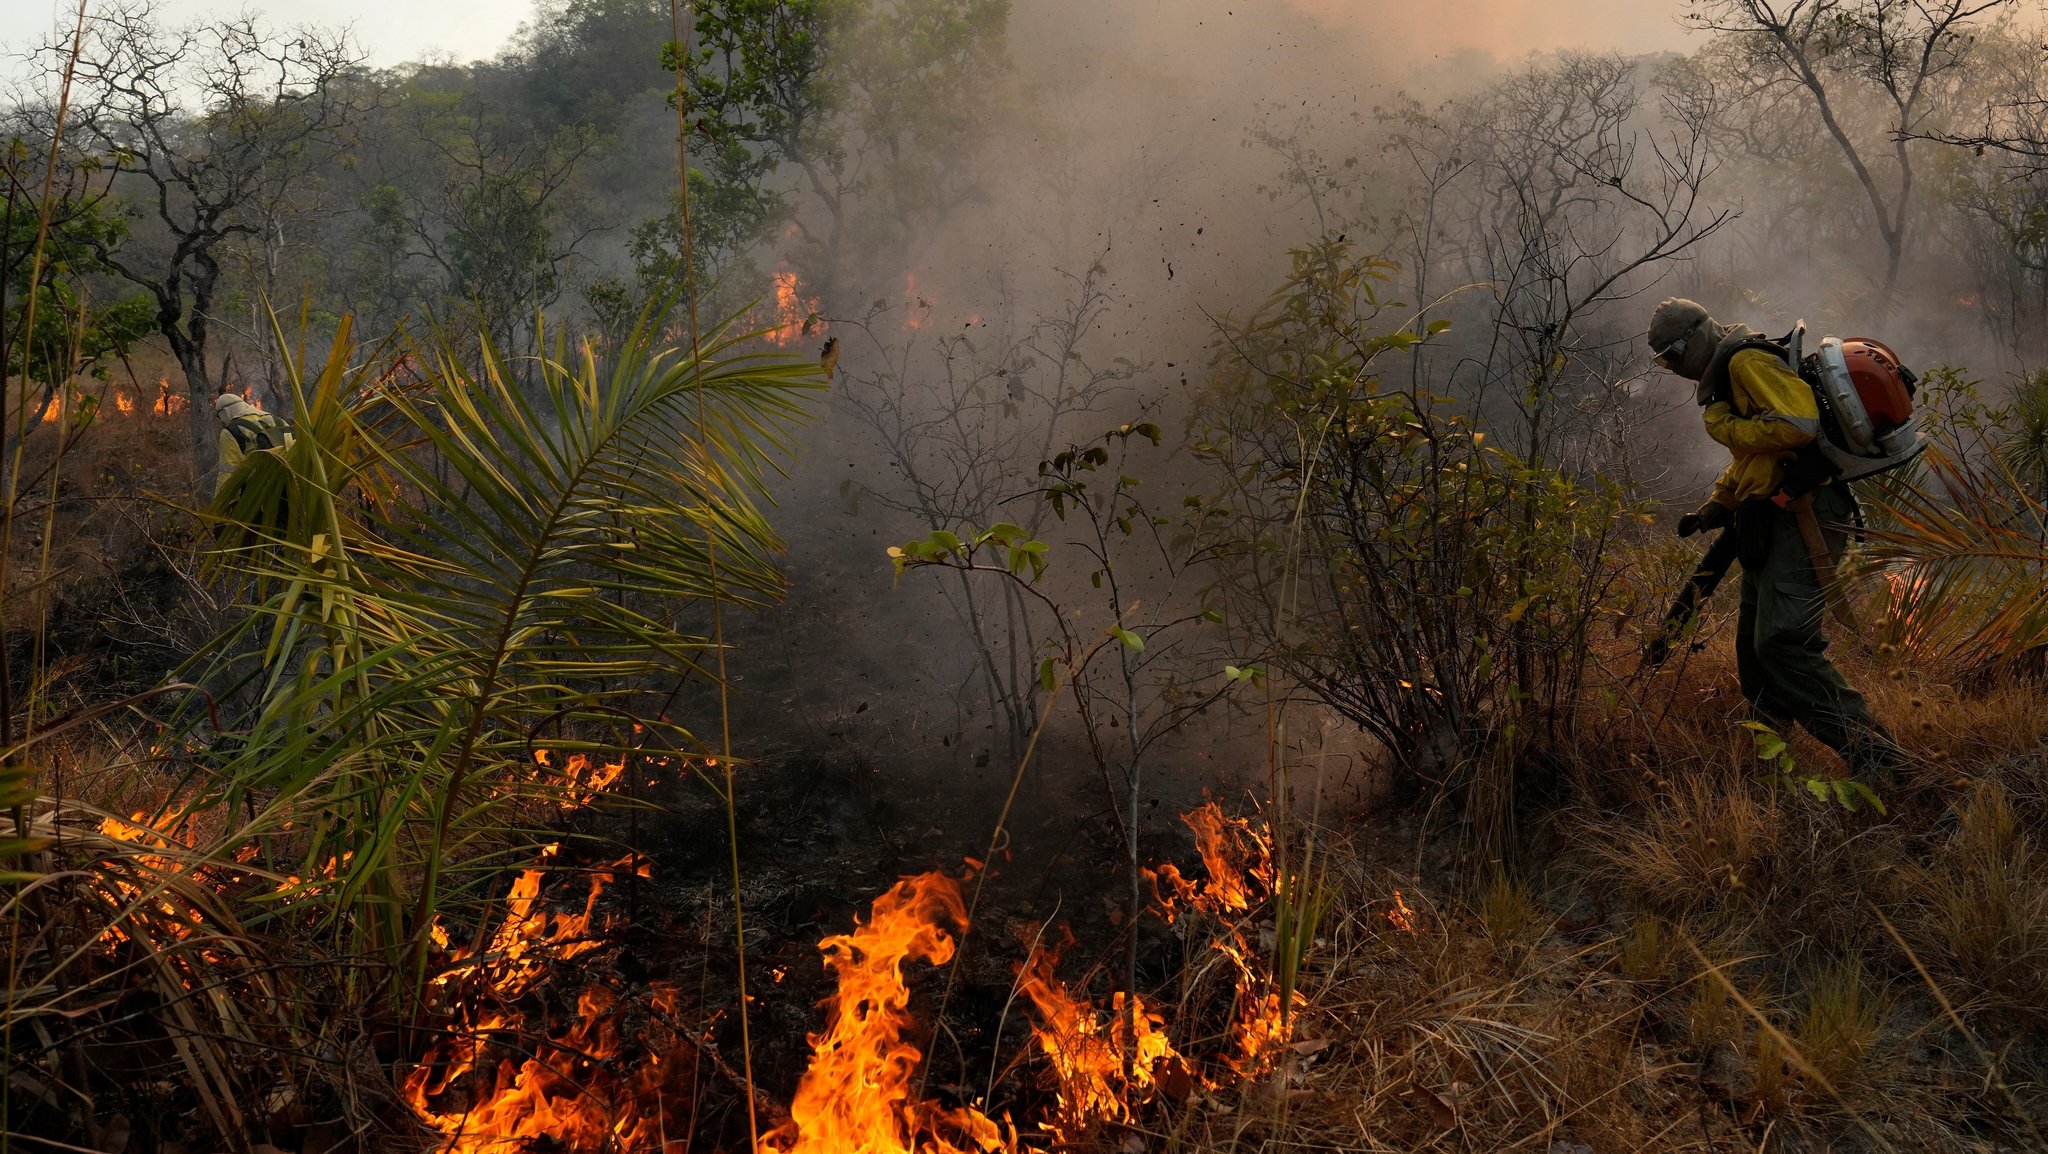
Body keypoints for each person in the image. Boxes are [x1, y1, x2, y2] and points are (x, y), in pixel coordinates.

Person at [1646, 297, 1904, 787]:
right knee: (1753, 646)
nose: (1673, 368)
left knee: (1782, 644)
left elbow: (1797, 424)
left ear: (1698, 336)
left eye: (1674, 355)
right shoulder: (1730, 373)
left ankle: (1877, 756)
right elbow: (1759, 455)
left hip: (1805, 513)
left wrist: (1723, 424)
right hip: (1774, 516)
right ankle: (1771, 759)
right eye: (1663, 362)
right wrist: (1718, 505)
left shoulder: (1744, 361)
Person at [212, 392, 289, 498]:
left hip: (259, 500)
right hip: (292, 492)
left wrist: (218, 507)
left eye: (219, 416)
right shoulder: (278, 421)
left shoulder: (231, 432)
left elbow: (228, 475)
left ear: (225, 412)